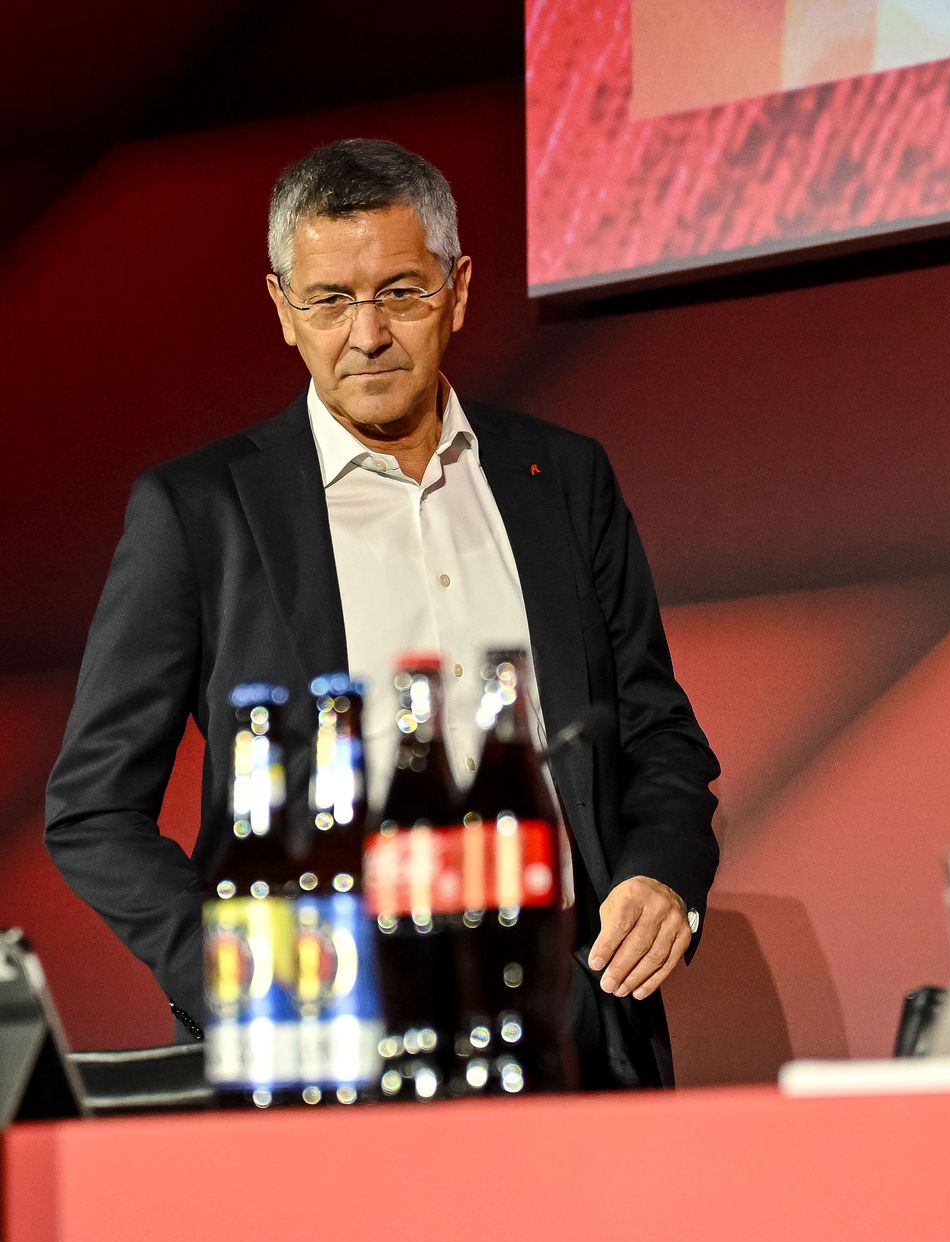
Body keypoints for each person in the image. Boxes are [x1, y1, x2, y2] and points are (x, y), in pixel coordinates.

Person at [44, 139, 718, 1088]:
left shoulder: (562, 479)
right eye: (329, 300)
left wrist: (663, 875)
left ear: (459, 289)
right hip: (329, 1046)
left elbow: (656, 731)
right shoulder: (200, 513)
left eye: (400, 292)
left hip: (575, 1027)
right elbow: (94, 808)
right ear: (283, 308)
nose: (366, 335)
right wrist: (247, 980)